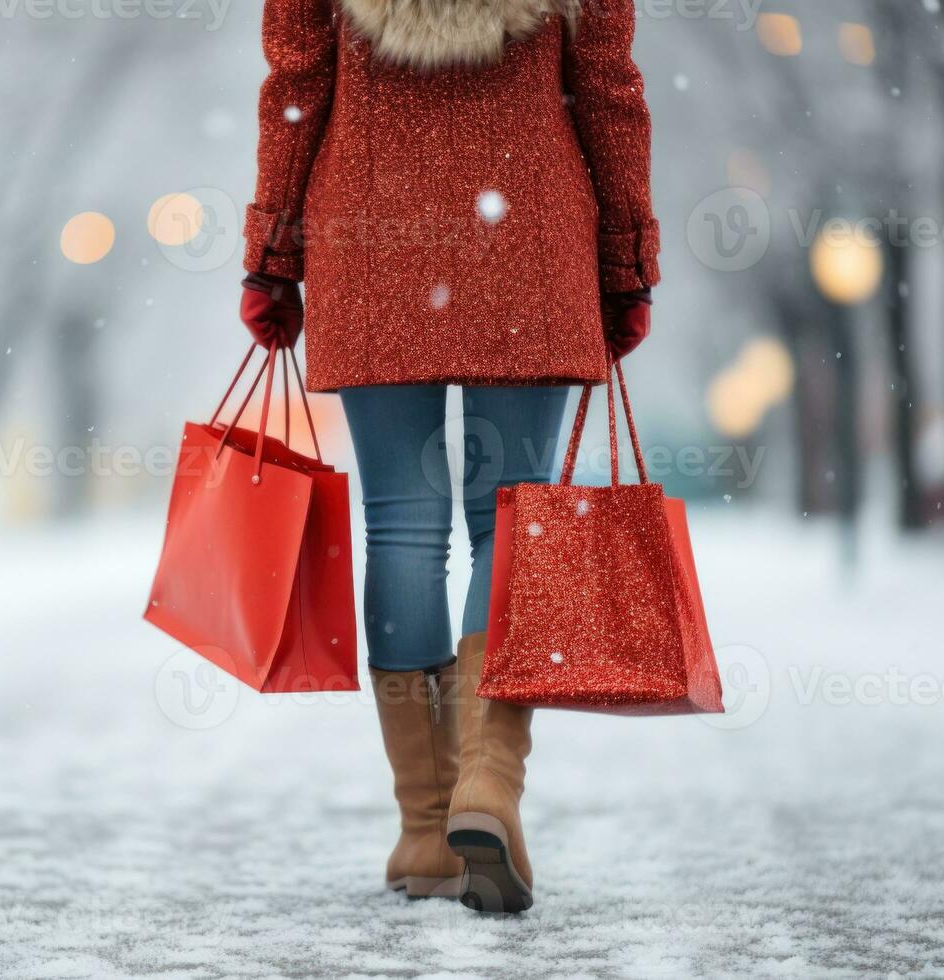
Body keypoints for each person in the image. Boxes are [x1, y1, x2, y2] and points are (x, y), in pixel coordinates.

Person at [238, 0, 660, 914]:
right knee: (512, 514)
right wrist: (626, 254)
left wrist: (271, 250)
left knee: (400, 528)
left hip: (368, 226)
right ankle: (489, 789)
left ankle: (426, 830)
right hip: (531, 228)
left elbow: (297, 87)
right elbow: (608, 89)